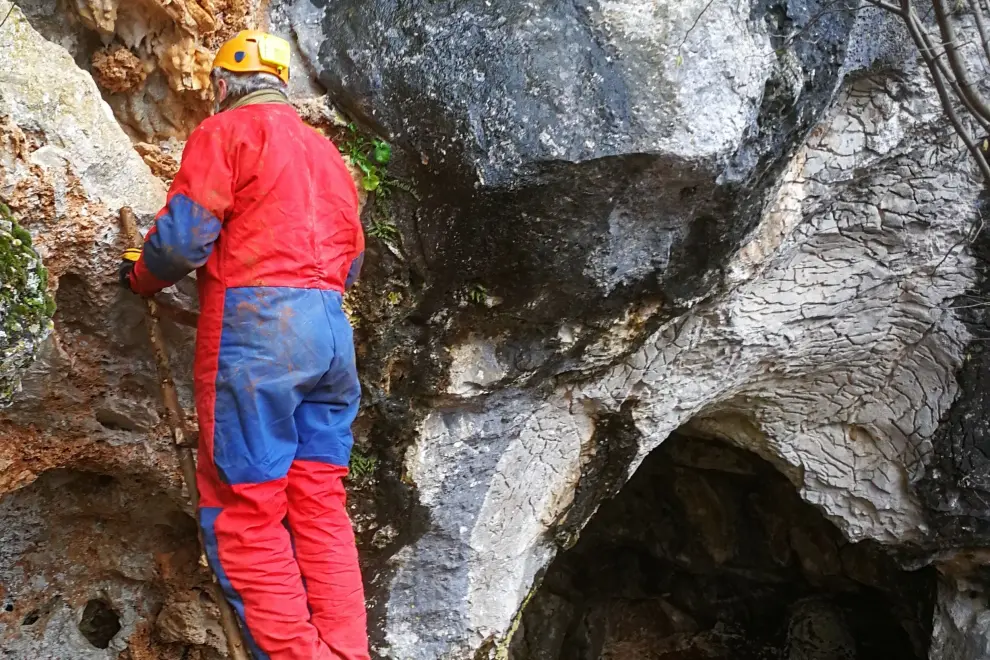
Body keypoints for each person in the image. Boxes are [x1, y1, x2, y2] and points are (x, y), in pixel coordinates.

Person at [119, 30, 369, 660]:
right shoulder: (328, 154)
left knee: (246, 507)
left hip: (262, 334)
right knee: (318, 499)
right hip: (331, 333)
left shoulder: (226, 132)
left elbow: (183, 241)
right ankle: (346, 650)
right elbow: (353, 260)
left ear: (223, 85)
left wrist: (142, 274)